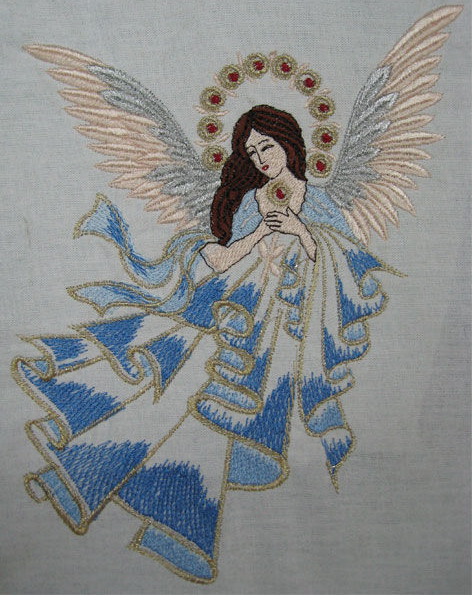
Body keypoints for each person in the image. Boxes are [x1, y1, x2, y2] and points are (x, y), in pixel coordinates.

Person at [13, 105, 391, 583]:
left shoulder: (318, 202)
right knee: (166, 397)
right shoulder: (251, 200)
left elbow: (347, 267)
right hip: (228, 315)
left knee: (210, 431)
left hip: (275, 339)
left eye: (267, 146)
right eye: (252, 152)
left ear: (290, 143)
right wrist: (258, 233)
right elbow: (222, 259)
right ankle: (77, 478)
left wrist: (302, 232)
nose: (262, 158)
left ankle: (178, 526)